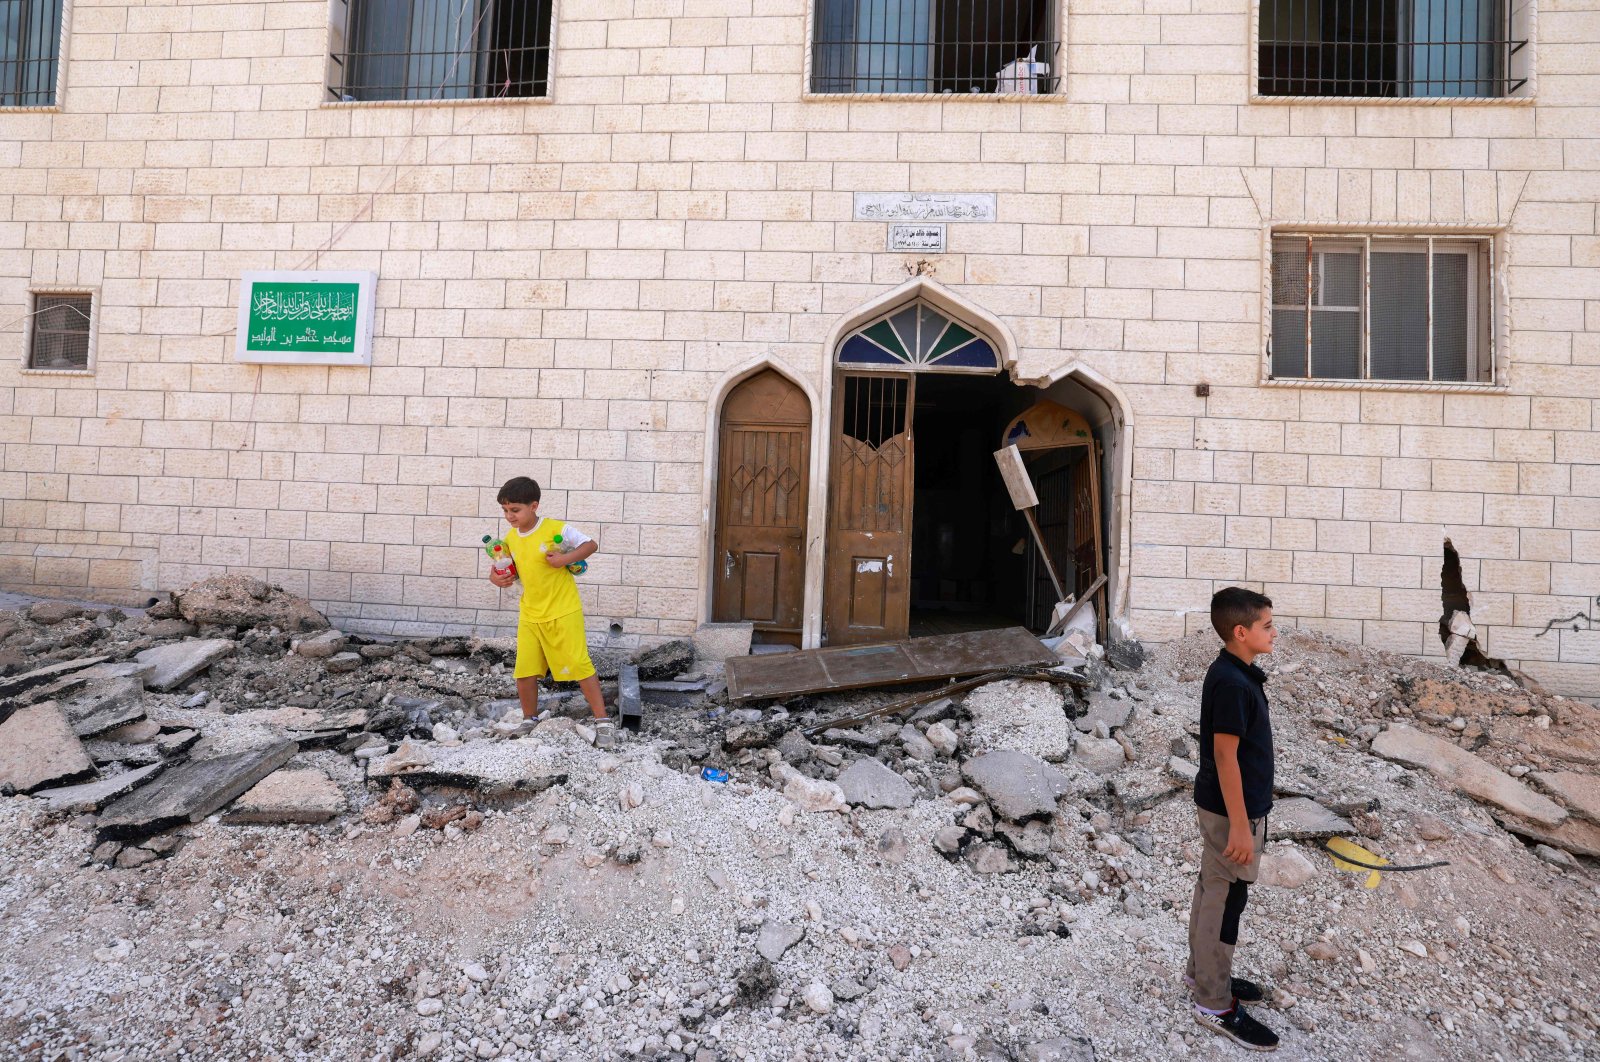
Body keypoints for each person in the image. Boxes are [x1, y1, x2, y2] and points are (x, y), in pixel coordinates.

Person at [1185, 586, 1280, 1051]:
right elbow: (1225, 757)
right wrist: (1241, 825)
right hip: (1230, 812)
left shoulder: (1236, 672)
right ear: (1240, 632)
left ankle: (1201, 975)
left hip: (1226, 807)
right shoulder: (1232, 683)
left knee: (1212, 891)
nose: (1274, 632)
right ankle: (1213, 1002)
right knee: (1225, 903)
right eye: (1266, 625)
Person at [487, 476, 614, 749]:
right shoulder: (510, 538)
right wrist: (495, 578)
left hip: (563, 609)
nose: (510, 516)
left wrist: (565, 559)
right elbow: (501, 565)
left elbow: (590, 544)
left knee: (580, 664)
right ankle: (529, 719)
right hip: (530, 613)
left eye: (515, 510)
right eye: (505, 510)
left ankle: (603, 723)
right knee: (525, 670)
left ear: (534, 506)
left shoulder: (555, 528)